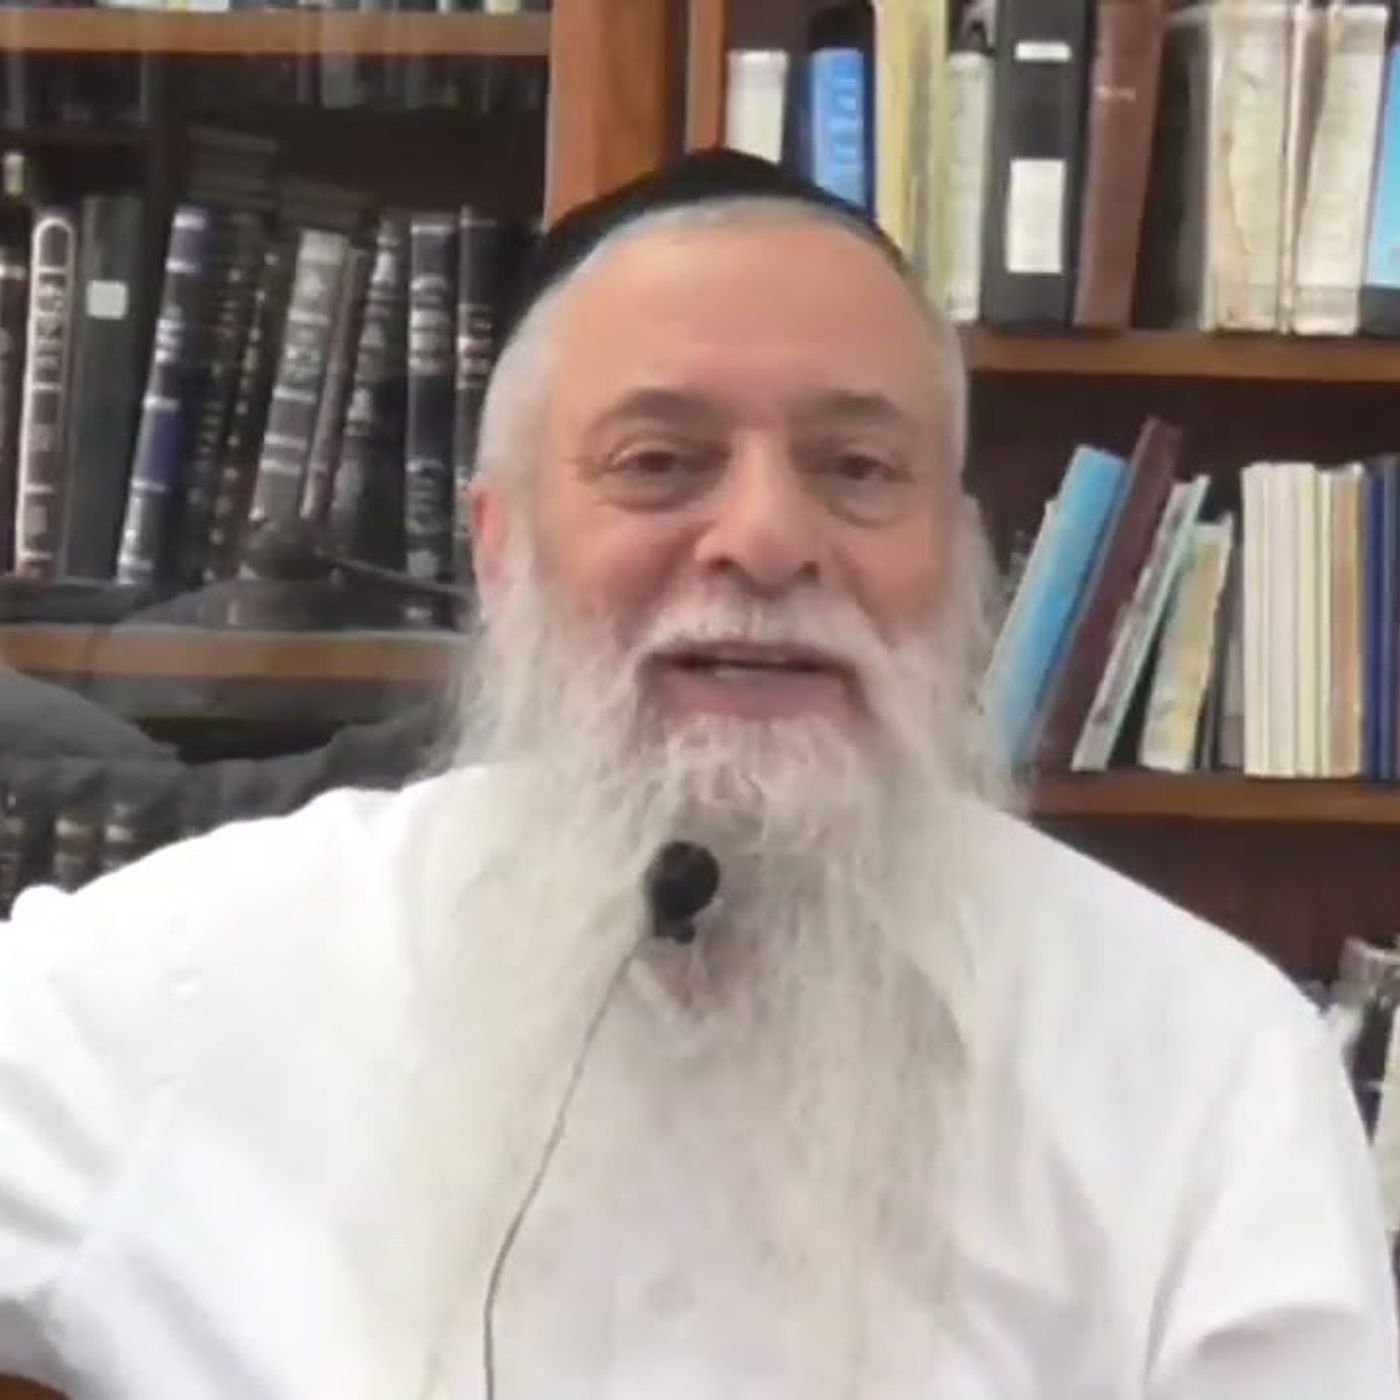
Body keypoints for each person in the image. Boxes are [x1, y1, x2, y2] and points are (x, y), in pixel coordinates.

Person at [0, 149, 1395, 1400]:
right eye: (660, 461)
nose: (768, 539)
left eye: (858, 469)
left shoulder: (1206, 1070)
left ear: (958, 556)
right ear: (500, 546)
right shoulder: (195, 984)